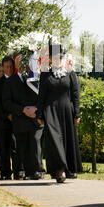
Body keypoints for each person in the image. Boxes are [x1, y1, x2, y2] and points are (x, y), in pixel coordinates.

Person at [36, 44, 83, 183]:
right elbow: (41, 96)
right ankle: (60, 170)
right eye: (55, 58)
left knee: (67, 139)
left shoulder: (71, 74)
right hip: (50, 111)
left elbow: (75, 95)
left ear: (63, 58)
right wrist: (39, 115)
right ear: (50, 59)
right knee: (55, 141)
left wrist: (77, 113)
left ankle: (68, 169)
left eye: (60, 57)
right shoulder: (45, 75)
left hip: (66, 111)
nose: (58, 60)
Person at [3, 55, 44, 180]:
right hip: (20, 119)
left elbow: (43, 98)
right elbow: (7, 102)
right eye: (19, 63)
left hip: (35, 119)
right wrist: (23, 110)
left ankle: (38, 170)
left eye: (25, 63)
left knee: (35, 144)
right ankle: (24, 171)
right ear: (16, 64)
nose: (22, 66)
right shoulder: (10, 82)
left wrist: (35, 109)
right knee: (21, 147)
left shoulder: (36, 79)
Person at [0, 56, 22, 180]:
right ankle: (5, 173)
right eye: (6, 67)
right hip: (3, 120)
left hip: (16, 119)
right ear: (3, 68)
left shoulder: (19, 81)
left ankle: (19, 171)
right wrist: (6, 115)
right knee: (4, 148)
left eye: (11, 66)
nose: (9, 69)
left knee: (17, 147)